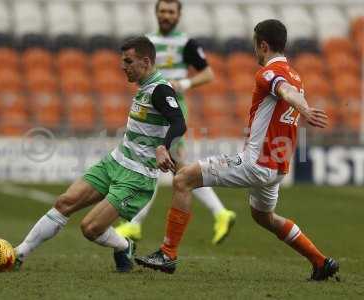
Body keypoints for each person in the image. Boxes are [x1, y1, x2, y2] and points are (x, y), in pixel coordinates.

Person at [135, 19, 340, 281]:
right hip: (278, 167)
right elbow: (290, 91)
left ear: (263, 45)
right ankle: (321, 262)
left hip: (255, 162)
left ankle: (167, 253)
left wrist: (305, 110)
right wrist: (304, 106)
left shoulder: (268, 73)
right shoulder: (297, 76)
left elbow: (285, 92)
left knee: (183, 179)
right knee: (263, 217)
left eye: (255, 45)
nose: (255, 51)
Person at [13, 36, 187, 273]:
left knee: (90, 228)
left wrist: (162, 147)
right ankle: (18, 253)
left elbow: (179, 123)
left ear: (146, 61)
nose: (122, 66)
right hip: (115, 161)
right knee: (65, 202)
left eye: (128, 61)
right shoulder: (145, 87)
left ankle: (124, 245)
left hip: (136, 177)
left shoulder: (160, 90)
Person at [115, 0, 236, 245]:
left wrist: (186, 83)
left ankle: (134, 224)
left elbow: (208, 73)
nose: (166, 16)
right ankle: (220, 212)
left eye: (171, 12)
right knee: (177, 167)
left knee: (158, 163)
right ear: (156, 13)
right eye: (162, 11)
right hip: (151, 107)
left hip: (173, 110)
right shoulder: (146, 42)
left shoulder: (186, 43)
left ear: (179, 15)